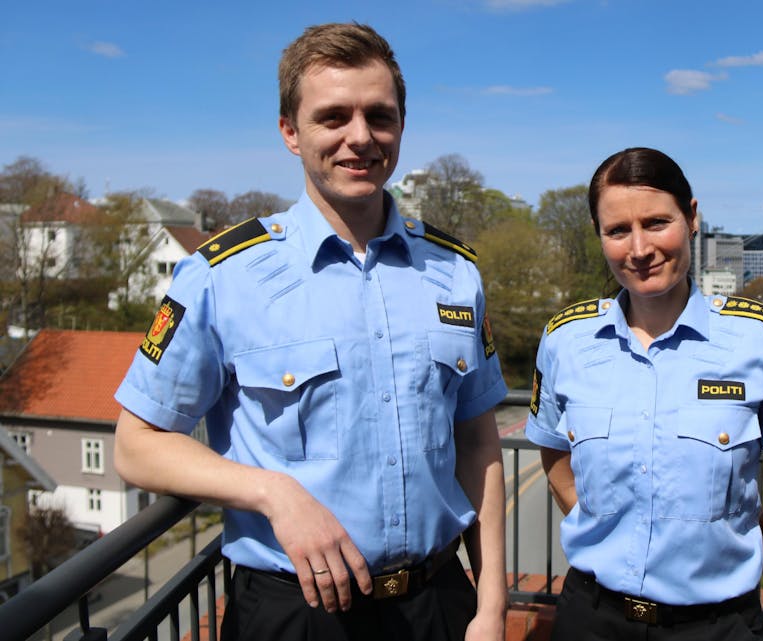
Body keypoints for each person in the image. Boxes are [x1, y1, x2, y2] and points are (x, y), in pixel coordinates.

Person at [113, 23, 508, 641]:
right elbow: (136, 443)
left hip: (438, 605)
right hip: (297, 615)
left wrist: (490, 608)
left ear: (401, 126)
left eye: (380, 116)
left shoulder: (454, 274)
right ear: (290, 133)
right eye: (333, 117)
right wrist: (272, 493)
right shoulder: (221, 277)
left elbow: (479, 446)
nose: (360, 137)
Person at [525, 147, 763, 641]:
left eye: (656, 222)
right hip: (591, 619)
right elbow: (555, 458)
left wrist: (731, 567)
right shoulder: (565, 342)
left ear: (691, 217)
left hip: (717, 625)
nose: (639, 248)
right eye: (617, 230)